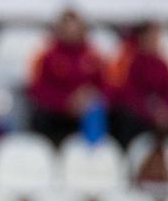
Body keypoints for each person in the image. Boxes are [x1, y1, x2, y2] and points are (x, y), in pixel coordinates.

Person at [108, 21, 168, 151]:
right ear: (142, 38)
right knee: (124, 128)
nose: (155, 41)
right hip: (138, 115)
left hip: (160, 114)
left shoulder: (161, 63)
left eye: (157, 37)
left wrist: (167, 110)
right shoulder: (129, 60)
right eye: (152, 37)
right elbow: (127, 93)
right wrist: (151, 110)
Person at [27, 9, 109, 146]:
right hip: (57, 113)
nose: (72, 32)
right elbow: (36, 89)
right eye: (68, 28)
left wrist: (90, 96)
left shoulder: (94, 56)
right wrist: (67, 102)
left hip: (85, 112)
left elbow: (107, 86)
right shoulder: (47, 56)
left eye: (75, 28)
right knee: (41, 117)